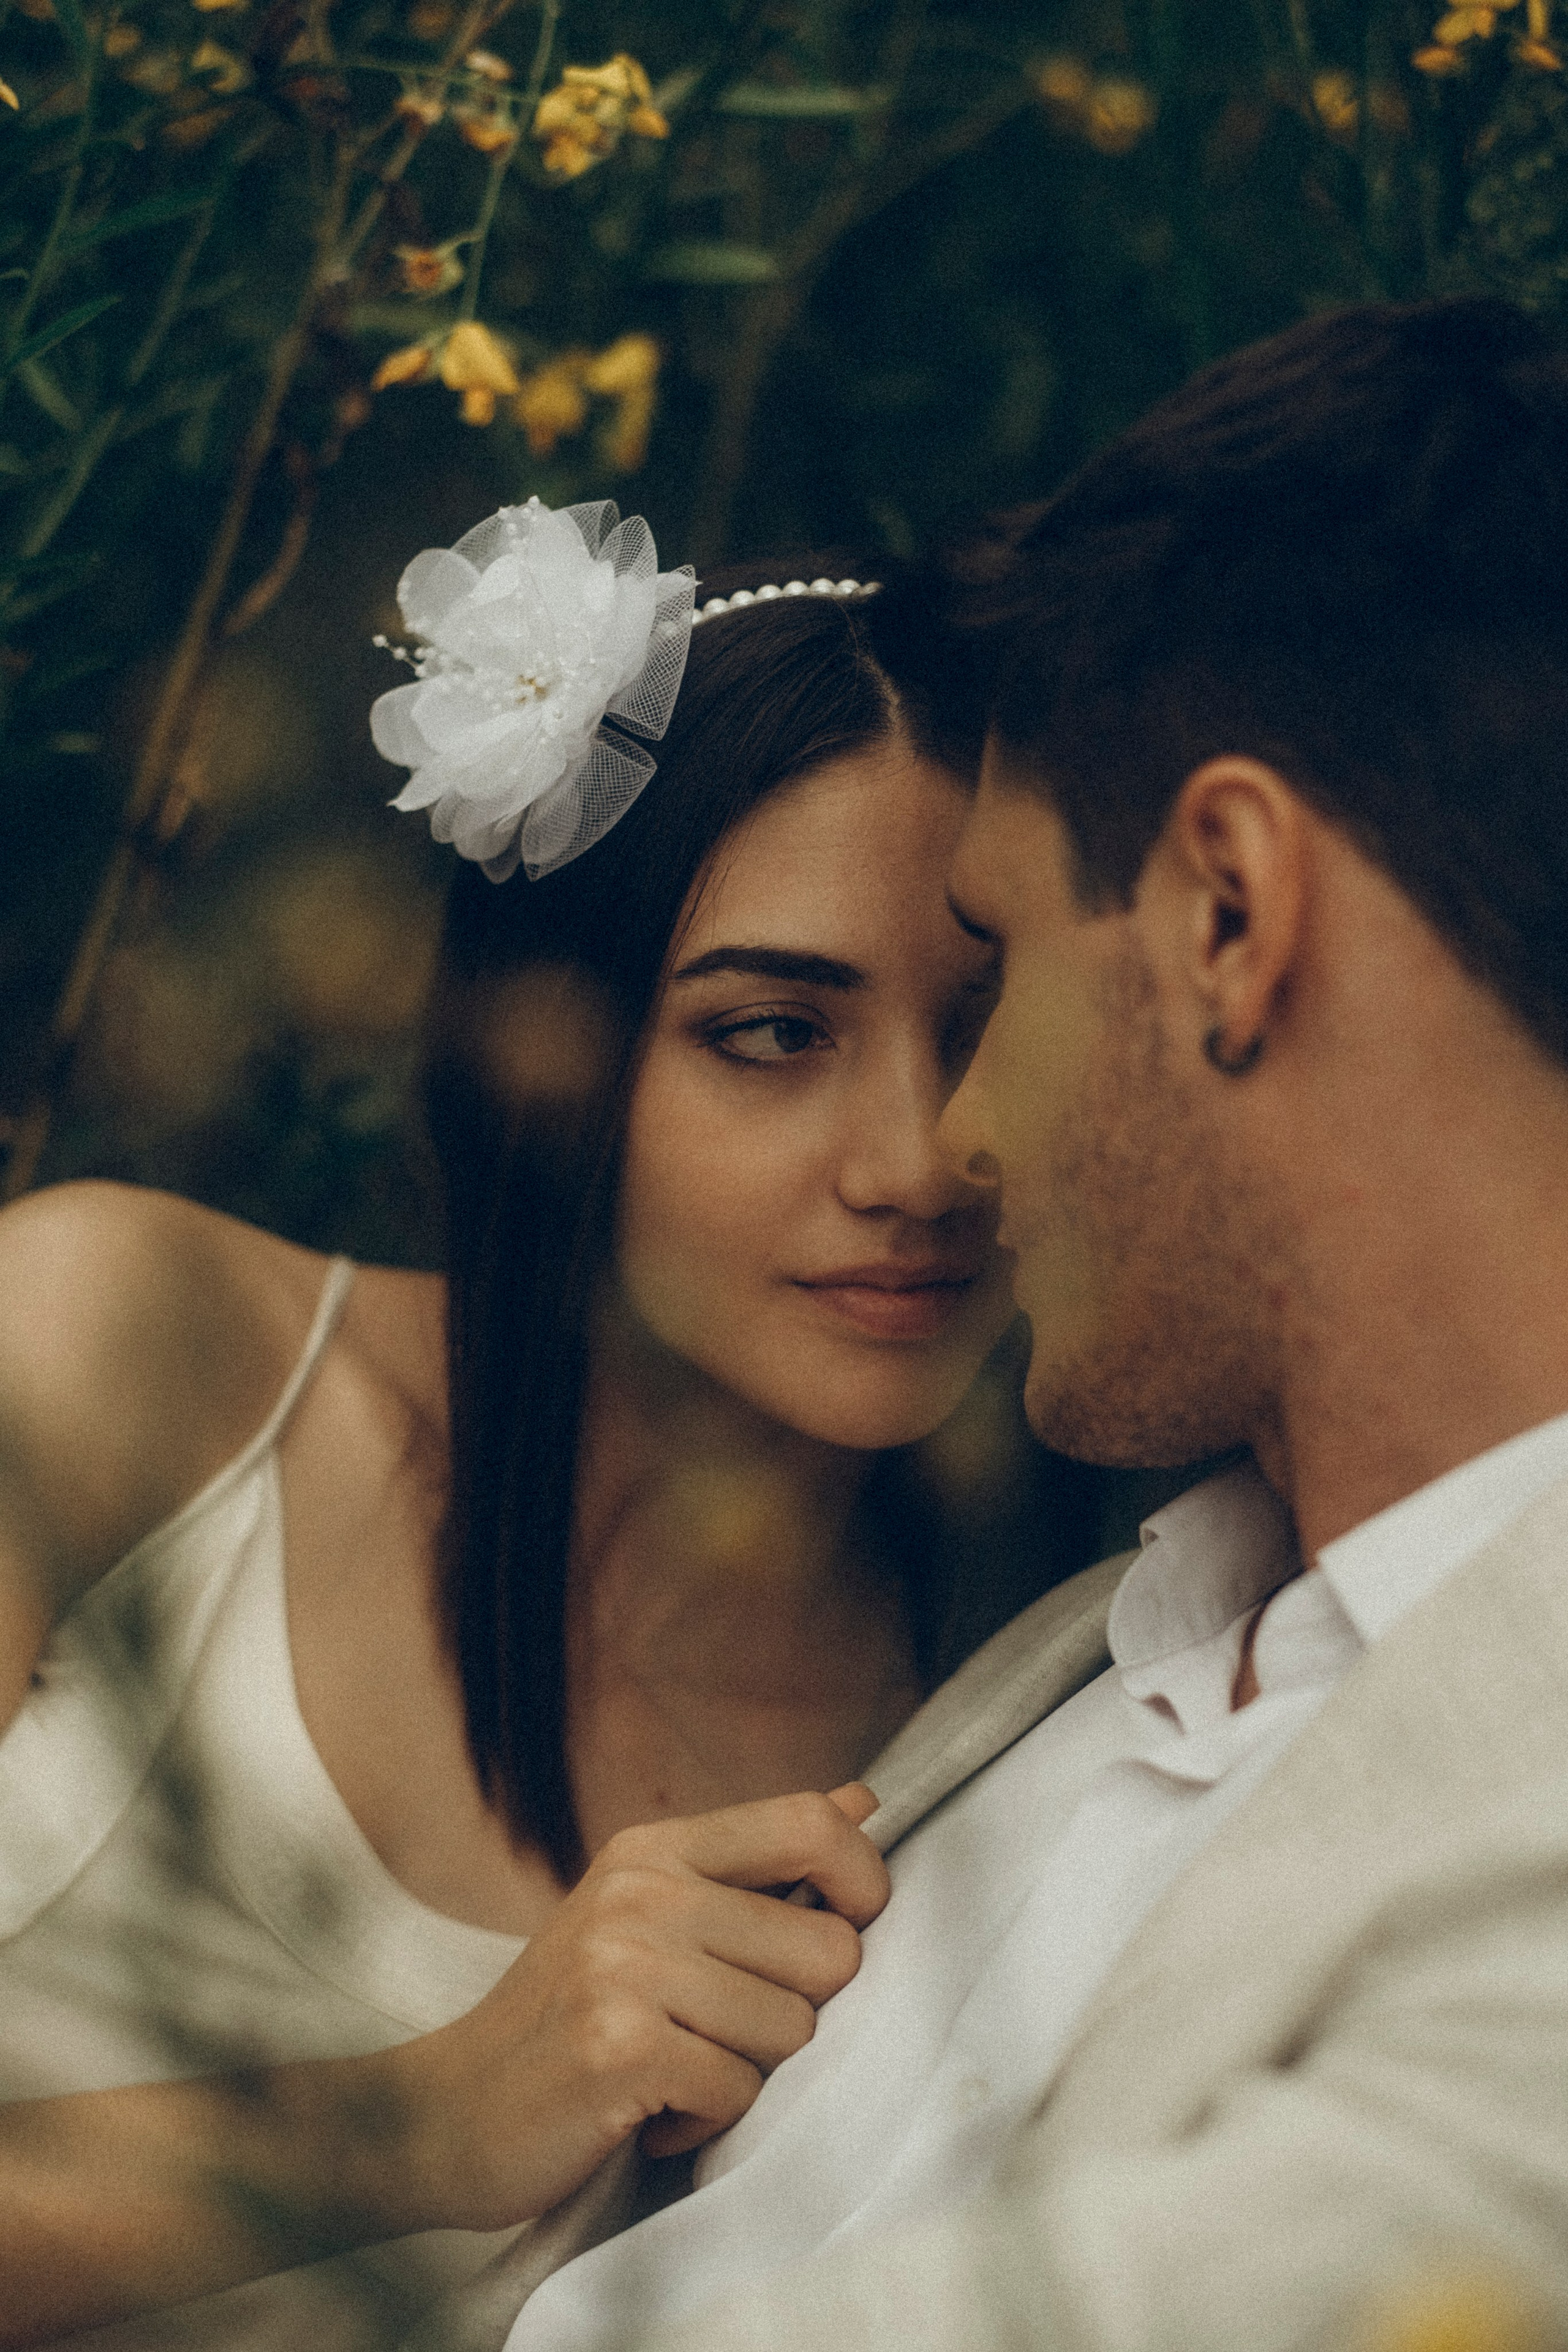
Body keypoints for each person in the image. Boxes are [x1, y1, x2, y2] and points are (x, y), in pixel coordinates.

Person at [470, 298, 1568, 2352]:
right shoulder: (1078, 1649)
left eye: (999, 975)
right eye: (781, 1032)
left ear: (1228, 914)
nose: (956, 1144)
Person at [0, 507, 1098, 2348]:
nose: (921, 1162)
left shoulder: (1013, 1712)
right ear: (546, 1054)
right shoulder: (123, 1348)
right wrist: (430, 2122)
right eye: (775, 1032)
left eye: (989, 1027)